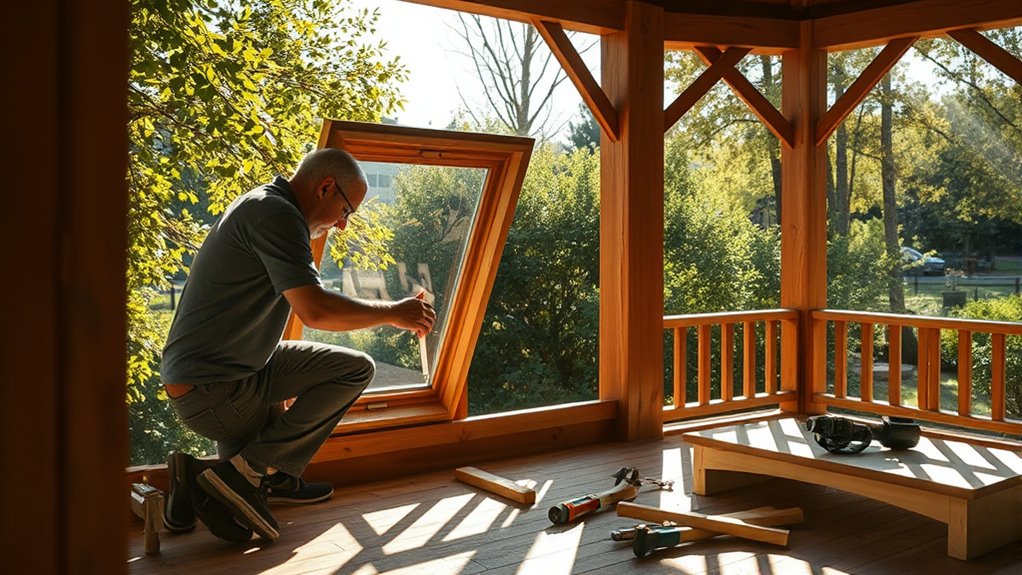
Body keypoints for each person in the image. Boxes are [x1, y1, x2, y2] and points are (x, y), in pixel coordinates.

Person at [159, 148, 436, 542]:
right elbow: (315, 310)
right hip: (213, 393)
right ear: (325, 187)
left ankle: (205, 478)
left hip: (217, 378)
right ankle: (252, 473)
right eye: (345, 210)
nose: (342, 225)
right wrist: (394, 312)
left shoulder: (265, 203)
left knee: (243, 489)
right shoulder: (277, 217)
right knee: (354, 372)